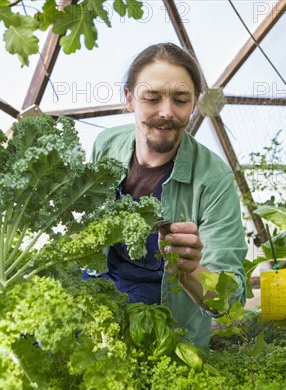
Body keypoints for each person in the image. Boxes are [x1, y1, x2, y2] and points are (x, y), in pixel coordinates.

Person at [84, 43, 248, 347]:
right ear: (129, 98)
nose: (167, 112)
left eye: (181, 100)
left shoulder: (214, 179)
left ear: (194, 103)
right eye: (152, 98)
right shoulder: (106, 145)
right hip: (97, 281)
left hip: (161, 313)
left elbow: (229, 303)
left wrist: (188, 270)